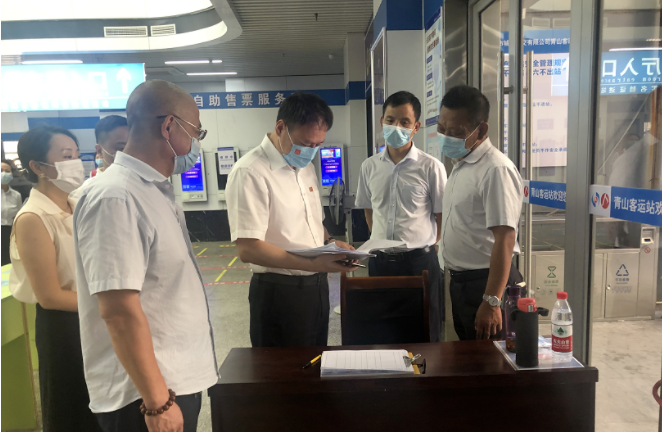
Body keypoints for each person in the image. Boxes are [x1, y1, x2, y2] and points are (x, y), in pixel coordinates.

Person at [74, 80, 217, 432]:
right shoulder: (116, 197)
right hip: (144, 396)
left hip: (172, 381)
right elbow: (118, 310)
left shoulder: (152, 190)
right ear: (168, 126)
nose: (196, 143)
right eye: (196, 132)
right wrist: (158, 403)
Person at [226, 92, 358, 348]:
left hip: (316, 288)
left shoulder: (306, 167)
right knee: (283, 370)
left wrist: (331, 243)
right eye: (306, 143)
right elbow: (248, 248)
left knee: (315, 362)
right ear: (280, 128)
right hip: (279, 292)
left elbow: (312, 222)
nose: (311, 151)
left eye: (318, 145)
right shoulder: (250, 171)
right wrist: (314, 263)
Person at [8, 126, 100, 432]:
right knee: (74, 410)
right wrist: (106, 304)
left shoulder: (76, 205)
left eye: (76, 155)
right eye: (66, 156)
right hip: (65, 327)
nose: (76, 163)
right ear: (37, 166)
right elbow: (50, 296)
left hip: (93, 316)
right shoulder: (33, 217)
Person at [355, 91, 447, 342]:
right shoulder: (369, 167)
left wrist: (432, 244)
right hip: (380, 263)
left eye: (405, 122)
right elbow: (368, 209)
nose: (397, 126)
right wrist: (380, 241)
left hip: (419, 264)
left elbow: (442, 215)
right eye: (391, 120)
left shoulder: (431, 167)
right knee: (382, 333)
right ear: (381, 121)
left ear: (416, 127)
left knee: (425, 334)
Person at [437, 85, 524, 341]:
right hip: (462, 283)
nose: (446, 137)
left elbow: (505, 238)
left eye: (456, 132)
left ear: (482, 130)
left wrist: (492, 300)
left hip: (486, 284)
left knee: (492, 358)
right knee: (470, 355)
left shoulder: (495, 170)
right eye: (442, 129)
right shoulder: (462, 165)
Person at [2, 160, 22, 265]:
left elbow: (18, 216)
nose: (4, 173)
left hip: (10, 232)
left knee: (9, 261)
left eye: (7, 171)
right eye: (1, 170)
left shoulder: (16, 195)